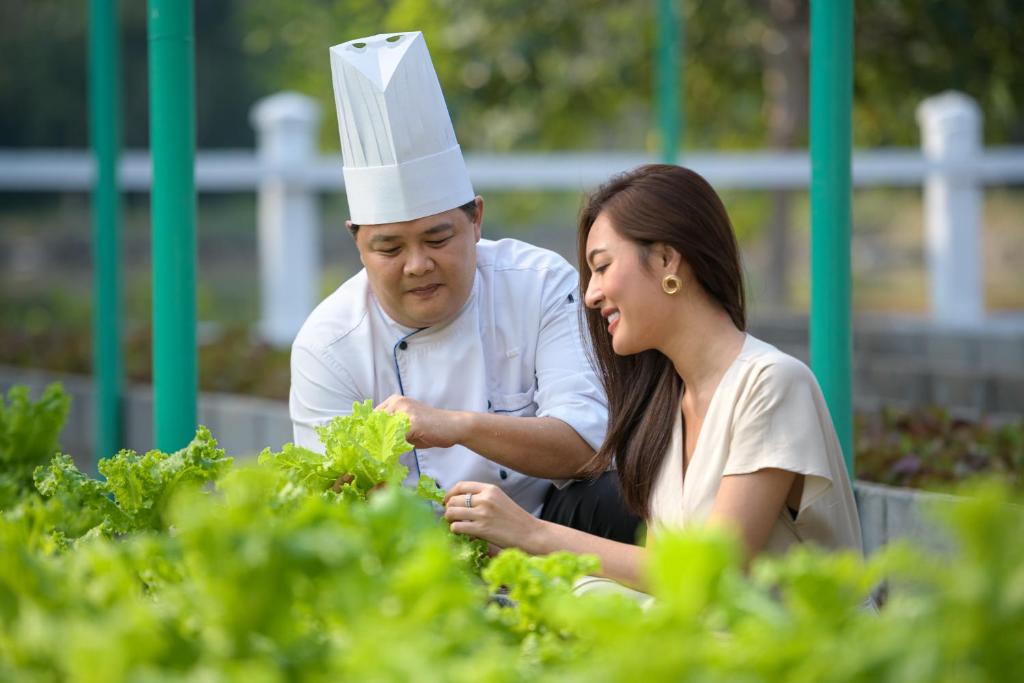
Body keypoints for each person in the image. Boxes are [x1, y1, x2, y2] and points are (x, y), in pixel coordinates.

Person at [290, 31, 640, 543]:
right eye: (389, 249)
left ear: (476, 219)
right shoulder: (328, 344)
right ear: (356, 242)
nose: (417, 265)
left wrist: (454, 425)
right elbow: (327, 506)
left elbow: (588, 445)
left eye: (437, 238)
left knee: (623, 497)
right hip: (409, 555)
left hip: (548, 530)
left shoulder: (538, 283)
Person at [443, 164, 864, 589]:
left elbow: (707, 574)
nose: (590, 294)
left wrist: (532, 533)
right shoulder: (669, 407)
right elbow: (665, 580)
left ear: (666, 259)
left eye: (602, 267)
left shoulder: (771, 384)